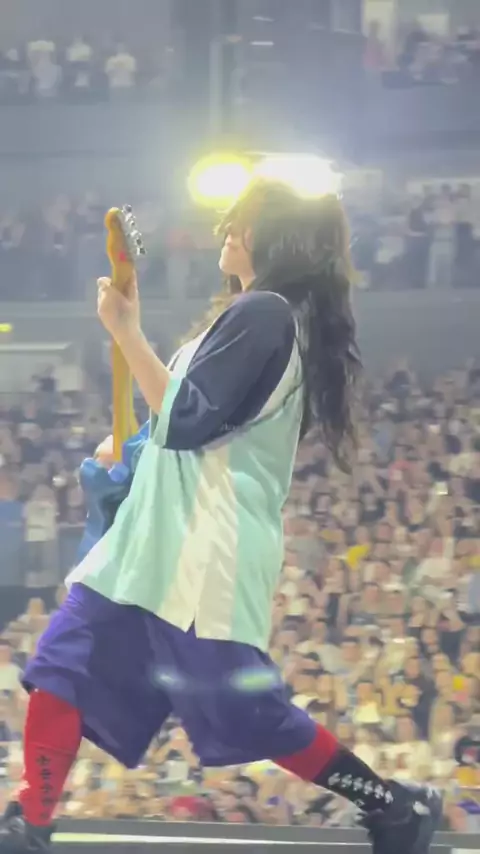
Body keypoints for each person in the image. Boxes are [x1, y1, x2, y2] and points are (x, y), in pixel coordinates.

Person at [0, 180, 441, 853]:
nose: (228, 229)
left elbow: (187, 419)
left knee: (248, 712)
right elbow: (183, 423)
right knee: (62, 664)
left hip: (205, 547)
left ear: (275, 238)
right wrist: (132, 444)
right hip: (156, 540)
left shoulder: (266, 313)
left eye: (244, 220)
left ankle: (392, 804)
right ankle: (31, 817)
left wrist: (126, 332)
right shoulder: (254, 316)